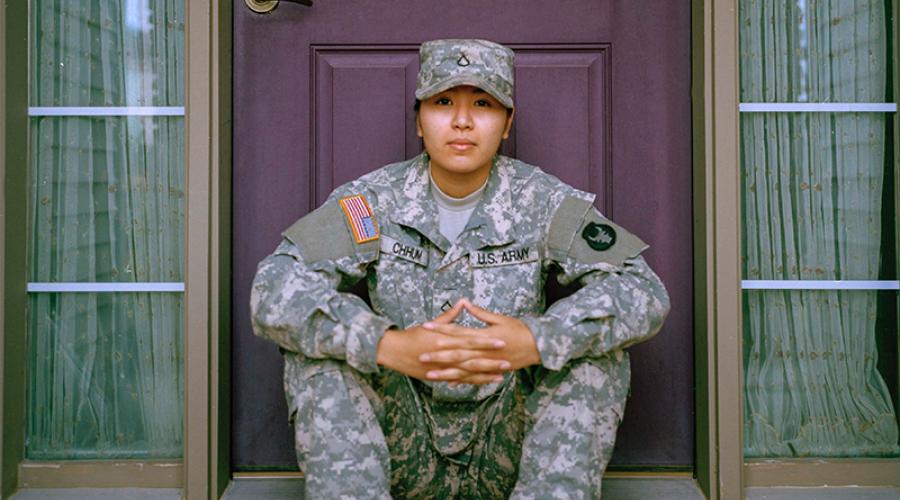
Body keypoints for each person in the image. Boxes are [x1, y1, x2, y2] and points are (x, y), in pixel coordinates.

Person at [250, 39, 670, 499]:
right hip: (397, 443)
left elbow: (641, 289)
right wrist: (386, 345)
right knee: (318, 358)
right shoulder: (371, 201)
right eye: (443, 102)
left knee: (596, 357)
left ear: (507, 124)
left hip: (509, 439)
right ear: (419, 120)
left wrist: (537, 340)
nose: (462, 120)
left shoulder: (543, 201)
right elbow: (274, 289)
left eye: (484, 104)